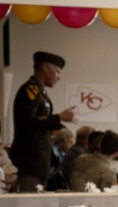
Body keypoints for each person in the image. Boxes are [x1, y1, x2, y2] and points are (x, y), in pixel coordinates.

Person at [10, 51, 76, 191]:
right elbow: (28, 122)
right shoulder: (30, 90)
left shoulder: (41, 92)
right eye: (57, 72)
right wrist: (59, 118)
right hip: (29, 162)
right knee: (29, 206)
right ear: (45, 68)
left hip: (38, 164)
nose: (59, 77)